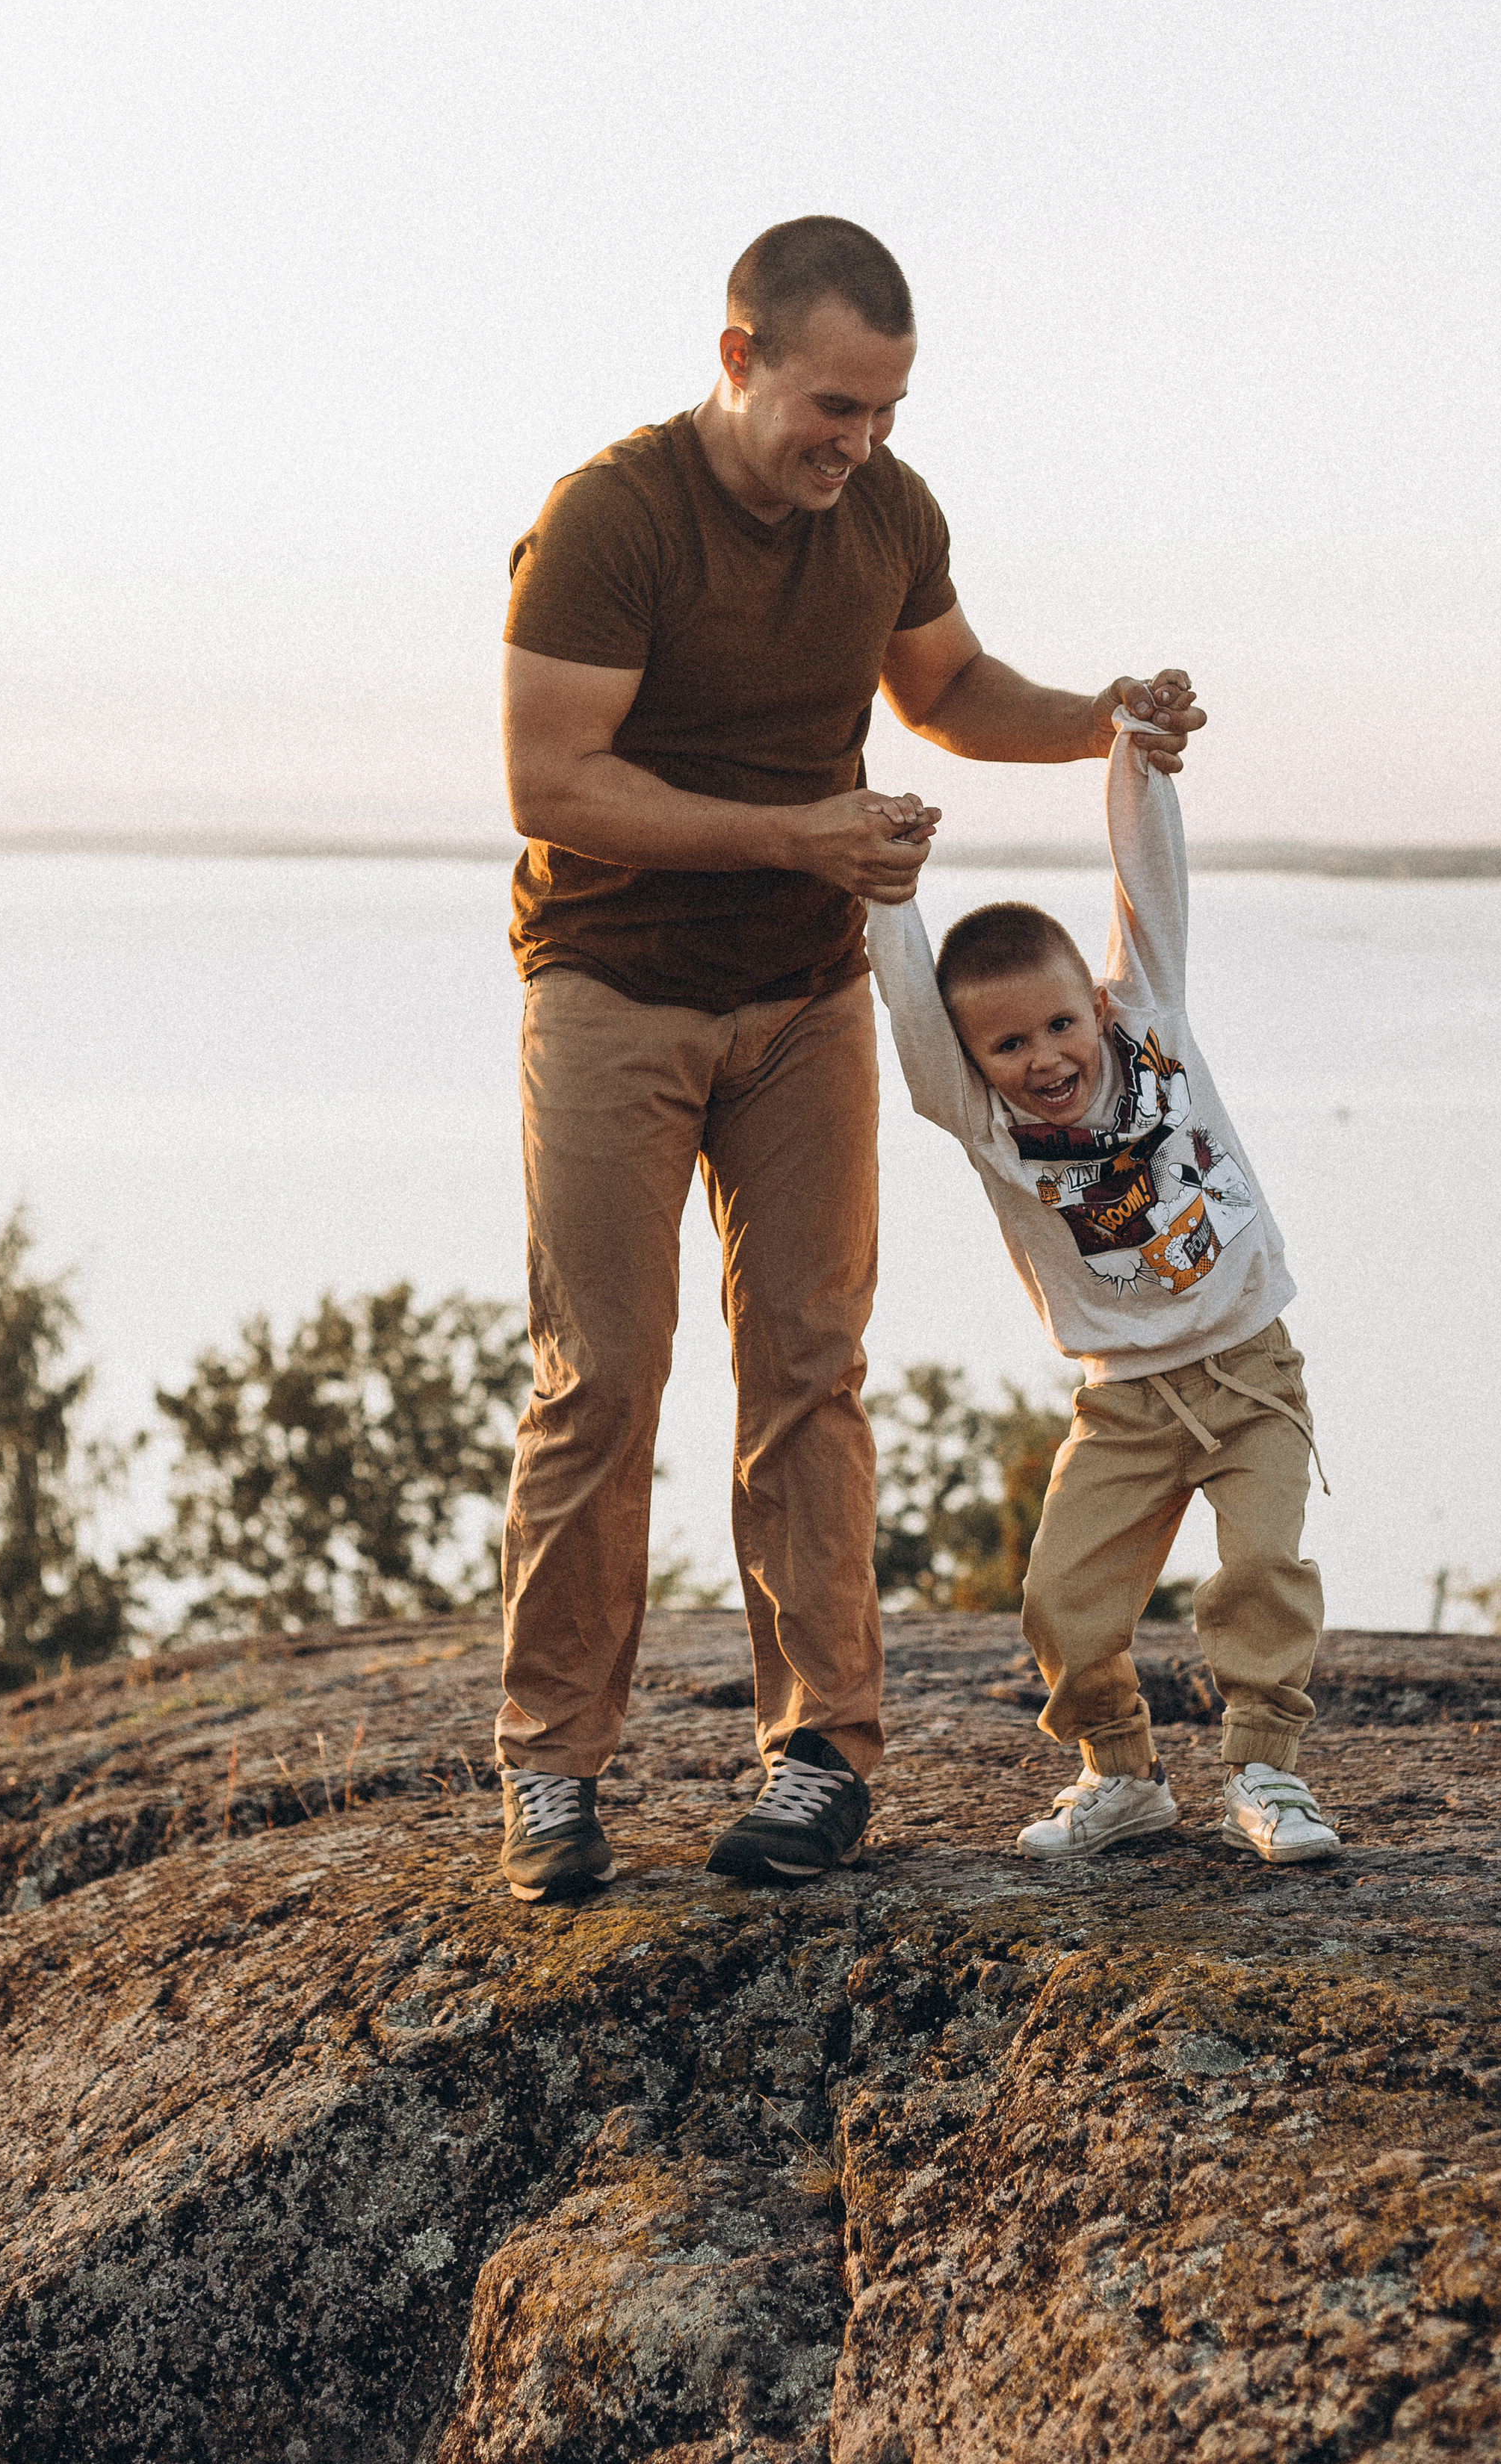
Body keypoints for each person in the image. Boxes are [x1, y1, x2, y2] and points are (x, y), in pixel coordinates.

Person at [495, 214, 1204, 1904]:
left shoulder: (883, 511)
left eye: (883, 412)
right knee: (602, 1375)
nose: (857, 446)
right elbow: (551, 781)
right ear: (737, 359)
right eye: (831, 407)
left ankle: (819, 1758)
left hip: (806, 994)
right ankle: (553, 1775)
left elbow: (948, 686)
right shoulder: (613, 518)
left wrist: (1105, 716)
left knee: (808, 1369)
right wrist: (798, 833)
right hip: (609, 984)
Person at [866, 701, 1341, 1865]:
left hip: (1248, 1368)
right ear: (972, 1063)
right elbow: (910, 1007)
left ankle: (1268, 1774)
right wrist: (888, 887)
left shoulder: (1156, 1025)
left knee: (1262, 1572)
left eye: (1060, 1025)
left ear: (1100, 1003)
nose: (1044, 1060)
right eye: (1009, 1046)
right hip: (1122, 1401)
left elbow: (1146, 883)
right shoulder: (980, 1122)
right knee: (1060, 1603)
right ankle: (1120, 1778)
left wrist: (1134, 750)